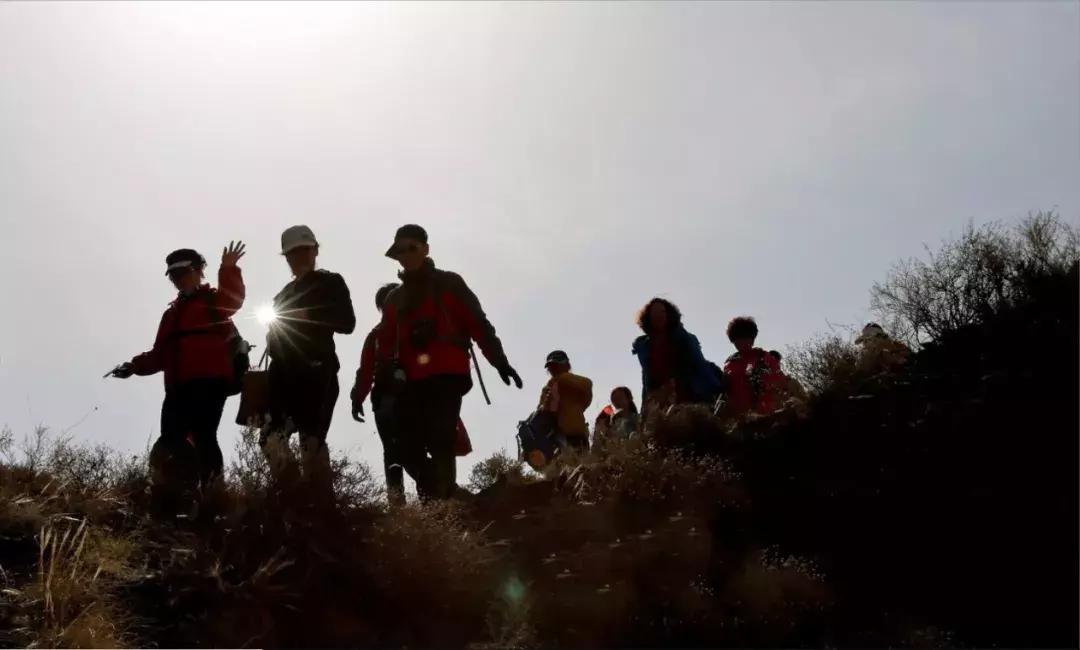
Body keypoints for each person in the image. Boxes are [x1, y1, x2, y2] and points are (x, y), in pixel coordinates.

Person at [376, 224, 522, 500]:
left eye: (412, 248)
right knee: (407, 446)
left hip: (447, 374)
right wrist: (383, 383)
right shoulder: (395, 300)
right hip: (410, 382)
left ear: (426, 249)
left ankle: (444, 508)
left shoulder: (449, 283)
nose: (406, 255)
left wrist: (500, 362)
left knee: (441, 438)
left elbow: (478, 324)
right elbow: (385, 347)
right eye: (400, 251)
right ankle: (449, 497)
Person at [110, 242, 247, 518]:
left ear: (198, 272)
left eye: (182, 273)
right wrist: (133, 367)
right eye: (173, 276)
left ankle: (211, 499)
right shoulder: (170, 315)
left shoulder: (213, 302)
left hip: (211, 383)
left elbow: (234, 300)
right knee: (172, 439)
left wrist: (229, 268)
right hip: (178, 388)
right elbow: (160, 354)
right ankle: (177, 497)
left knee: (204, 437)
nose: (177, 280)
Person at [262, 225, 355, 495]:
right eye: (294, 253)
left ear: (315, 250)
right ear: (286, 258)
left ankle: (319, 505)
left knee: (310, 441)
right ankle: (292, 496)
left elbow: (347, 322)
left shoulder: (330, 282)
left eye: (305, 250)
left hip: (318, 372)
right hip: (283, 376)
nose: (300, 257)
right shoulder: (281, 296)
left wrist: (308, 317)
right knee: (270, 437)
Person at [351, 282, 407, 506]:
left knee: (392, 452)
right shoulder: (413, 328)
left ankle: (397, 504)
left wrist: (357, 399)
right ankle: (433, 501)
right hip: (413, 397)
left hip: (384, 400)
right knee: (417, 448)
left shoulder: (375, 335)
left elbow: (365, 372)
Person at [631, 298, 724, 417]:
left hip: (687, 397)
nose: (658, 316)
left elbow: (700, 366)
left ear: (669, 315)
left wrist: (715, 390)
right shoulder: (644, 346)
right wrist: (644, 411)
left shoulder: (684, 339)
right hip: (661, 402)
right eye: (654, 313)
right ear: (648, 317)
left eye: (662, 312)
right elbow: (647, 379)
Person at [722, 316, 784, 418]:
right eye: (736, 339)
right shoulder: (729, 364)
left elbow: (779, 384)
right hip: (740, 421)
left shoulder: (765, 358)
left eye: (744, 338)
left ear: (751, 339)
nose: (739, 343)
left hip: (767, 417)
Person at [537, 350, 593, 453]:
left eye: (557, 365)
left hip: (576, 436)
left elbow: (587, 387)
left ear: (567, 365)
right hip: (554, 440)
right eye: (552, 367)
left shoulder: (576, 383)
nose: (554, 369)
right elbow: (542, 412)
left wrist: (561, 379)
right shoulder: (548, 388)